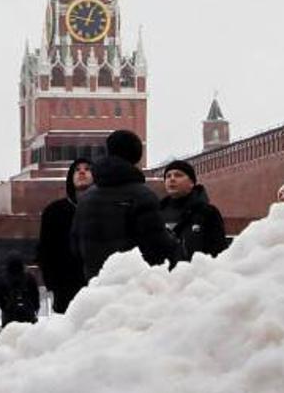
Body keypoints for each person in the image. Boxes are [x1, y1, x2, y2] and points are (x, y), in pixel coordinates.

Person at [70, 130, 180, 281]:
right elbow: (157, 247)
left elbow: (75, 248)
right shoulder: (142, 196)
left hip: (97, 288)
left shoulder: (86, 199)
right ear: (136, 155)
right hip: (133, 290)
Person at [37, 158, 92, 313]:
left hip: (96, 284)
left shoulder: (105, 209)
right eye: (77, 169)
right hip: (65, 287)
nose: (82, 172)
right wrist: (53, 283)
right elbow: (45, 250)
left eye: (87, 169)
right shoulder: (54, 211)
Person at [160, 160, 228, 261]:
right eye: (168, 176)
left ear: (191, 183)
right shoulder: (156, 213)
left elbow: (218, 251)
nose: (172, 179)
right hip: (161, 275)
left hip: (196, 274)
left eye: (178, 175)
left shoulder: (207, 213)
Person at [0, 254, 40, 327]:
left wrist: (4, 308)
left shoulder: (4, 278)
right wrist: (35, 308)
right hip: (27, 312)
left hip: (9, 314)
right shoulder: (29, 277)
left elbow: (0, 297)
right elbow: (35, 295)